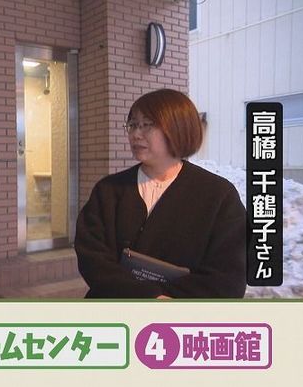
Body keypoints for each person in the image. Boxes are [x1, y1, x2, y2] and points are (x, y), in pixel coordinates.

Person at [75, 88, 246, 298]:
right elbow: (92, 258)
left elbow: (228, 277)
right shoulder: (109, 190)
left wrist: (166, 299)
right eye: (132, 125)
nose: (136, 134)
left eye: (147, 124)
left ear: (178, 128)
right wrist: (147, 296)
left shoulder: (219, 195)